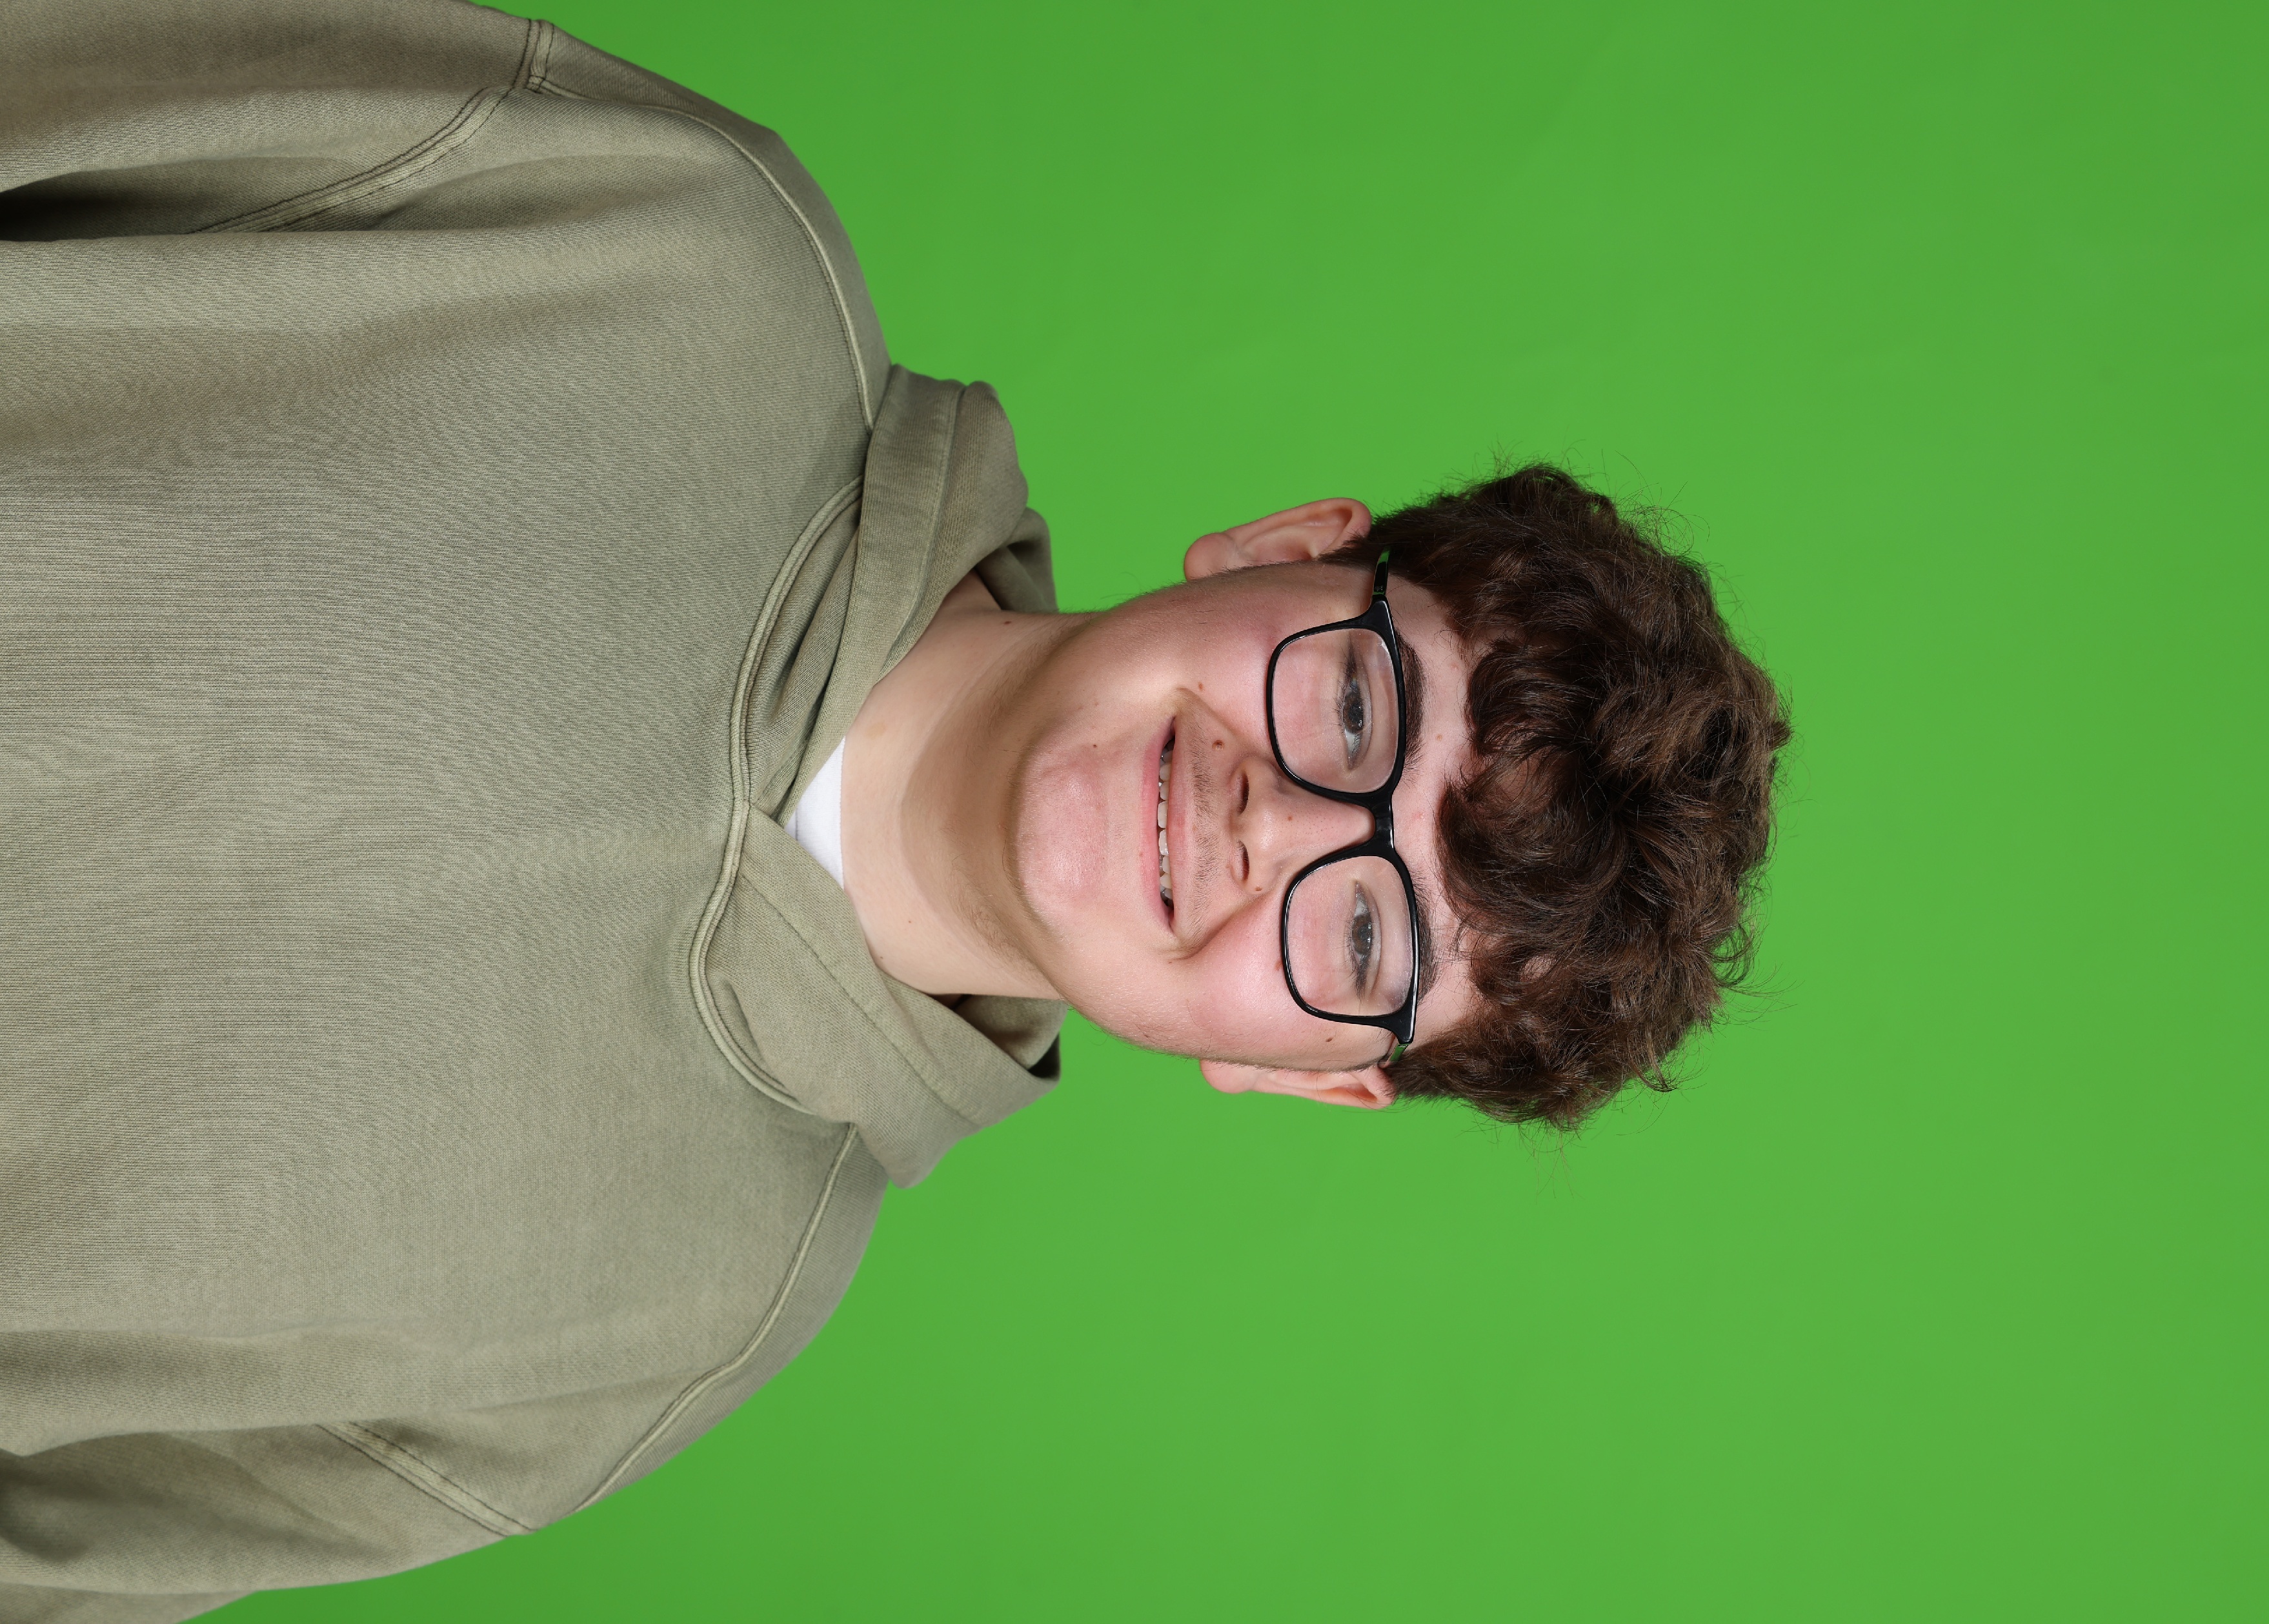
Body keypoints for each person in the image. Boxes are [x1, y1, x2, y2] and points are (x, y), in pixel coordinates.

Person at [0, 0, 1789, 1618]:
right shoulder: (668, 251)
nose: (1279, 825)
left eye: (1372, 933)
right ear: (1284, 546)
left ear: (1303, 1072)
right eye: (1355, 707)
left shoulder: (669, 1329)